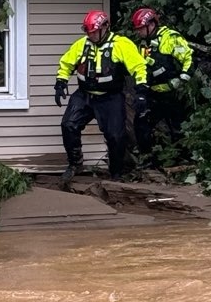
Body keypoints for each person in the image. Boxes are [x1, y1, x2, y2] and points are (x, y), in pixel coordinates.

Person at [54, 10, 148, 182]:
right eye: (88, 32)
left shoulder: (121, 44)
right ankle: (75, 163)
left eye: (94, 32)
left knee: (115, 135)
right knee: (68, 124)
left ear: (105, 28)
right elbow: (67, 62)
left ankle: (116, 172)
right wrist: (61, 82)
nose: (91, 35)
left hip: (110, 96)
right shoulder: (82, 44)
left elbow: (139, 66)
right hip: (85, 94)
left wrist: (141, 90)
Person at [129, 6, 194, 156]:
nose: (138, 32)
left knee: (178, 128)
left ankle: (184, 159)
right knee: (141, 122)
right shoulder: (143, 44)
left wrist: (182, 78)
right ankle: (146, 159)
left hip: (173, 92)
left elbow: (189, 58)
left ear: (151, 24)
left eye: (140, 28)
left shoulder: (169, 38)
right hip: (152, 93)